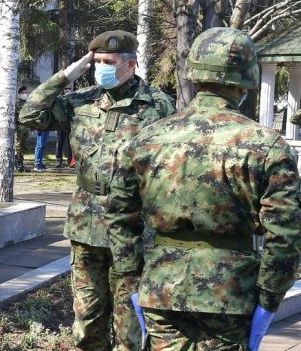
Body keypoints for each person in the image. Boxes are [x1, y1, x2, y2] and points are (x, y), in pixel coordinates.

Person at [106, 27, 301, 350]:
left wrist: (132, 281)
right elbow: (286, 236)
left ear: (194, 74)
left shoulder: (146, 140)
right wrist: (268, 299)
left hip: (161, 287)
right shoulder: (267, 146)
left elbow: (118, 219)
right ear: (246, 81)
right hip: (232, 293)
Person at [19, 30, 176, 350]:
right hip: (86, 225)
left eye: (109, 62)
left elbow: (173, 167)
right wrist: (64, 76)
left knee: (129, 326)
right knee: (87, 320)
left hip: (132, 231)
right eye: (97, 62)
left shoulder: (157, 105)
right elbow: (30, 115)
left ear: (130, 65)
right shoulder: (82, 101)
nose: (100, 68)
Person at [55, 86, 73, 168]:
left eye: (69, 88)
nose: (67, 90)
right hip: (61, 124)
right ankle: (59, 161)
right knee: (60, 142)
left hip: (70, 124)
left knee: (71, 144)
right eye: (66, 88)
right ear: (63, 89)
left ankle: (71, 161)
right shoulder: (59, 98)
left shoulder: (73, 98)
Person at [15, 85, 31, 172]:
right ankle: (16, 164)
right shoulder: (16, 103)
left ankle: (21, 164)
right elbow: (14, 116)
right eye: (23, 93)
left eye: (26, 93)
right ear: (19, 95)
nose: (25, 94)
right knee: (17, 146)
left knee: (24, 146)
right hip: (19, 128)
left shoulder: (28, 103)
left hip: (26, 128)